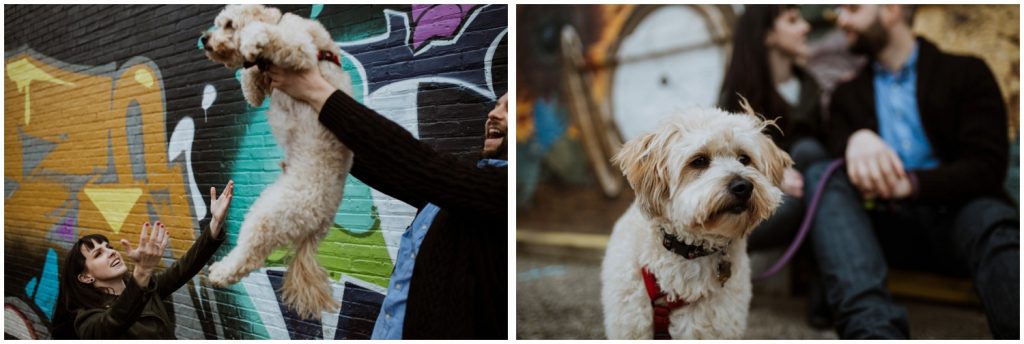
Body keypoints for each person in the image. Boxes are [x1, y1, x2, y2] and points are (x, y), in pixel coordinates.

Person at [805, 4, 1019, 339]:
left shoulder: (967, 73)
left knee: (992, 216)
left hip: (960, 220)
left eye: (853, 8)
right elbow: (837, 162)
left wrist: (912, 184)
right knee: (823, 174)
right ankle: (873, 331)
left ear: (890, 11)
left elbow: (987, 167)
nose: (841, 18)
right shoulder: (846, 95)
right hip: (882, 229)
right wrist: (856, 140)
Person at [265, 66, 507, 339]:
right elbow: (378, 163)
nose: (494, 113)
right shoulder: (456, 190)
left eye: (510, 111)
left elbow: (412, 159)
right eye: (497, 105)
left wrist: (315, 89)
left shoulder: (506, 192)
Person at [51, 181, 234, 339]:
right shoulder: (87, 319)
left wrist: (215, 224)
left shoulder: (147, 289)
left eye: (109, 247)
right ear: (85, 277)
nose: (111, 252)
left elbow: (185, 267)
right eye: (98, 254)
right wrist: (141, 273)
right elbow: (111, 324)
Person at [719, 4, 828, 251]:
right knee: (792, 201)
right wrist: (772, 176)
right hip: (768, 200)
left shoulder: (812, 87)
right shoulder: (736, 99)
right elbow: (724, 165)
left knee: (808, 152)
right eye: (792, 21)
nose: (806, 27)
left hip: (810, 188)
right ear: (768, 35)